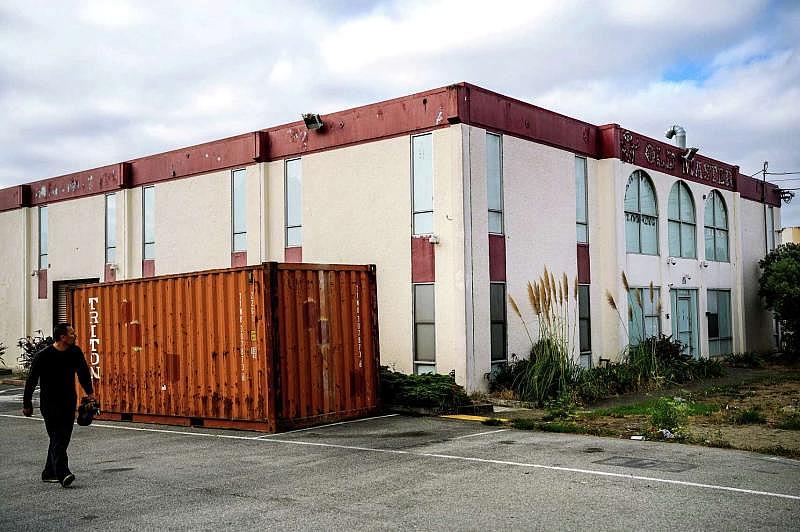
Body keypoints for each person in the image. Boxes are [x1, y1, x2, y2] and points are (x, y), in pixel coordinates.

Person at [23, 323, 95, 488]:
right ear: (62, 337)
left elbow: (83, 372)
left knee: (63, 437)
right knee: (58, 436)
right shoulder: (43, 356)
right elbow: (31, 381)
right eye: (72, 334)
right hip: (49, 403)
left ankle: (49, 472)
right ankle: (63, 472)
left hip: (69, 401)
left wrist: (90, 394)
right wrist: (27, 404)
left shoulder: (74, 352)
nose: (75, 336)